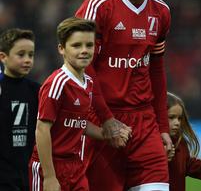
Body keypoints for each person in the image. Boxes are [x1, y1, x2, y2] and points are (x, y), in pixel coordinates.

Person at [75, 0, 172, 190]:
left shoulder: (161, 12)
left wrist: (163, 128)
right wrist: (107, 120)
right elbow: (82, 68)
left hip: (144, 122)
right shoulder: (98, 6)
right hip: (101, 120)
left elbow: (156, 71)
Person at [28, 17, 128, 191]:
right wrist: (50, 177)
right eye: (76, 46)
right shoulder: (57, 83)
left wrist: (110, 135)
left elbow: (79, 124)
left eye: (89, 45)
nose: (84, 50)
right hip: (51, 165)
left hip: (75, 165)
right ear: (61, 49)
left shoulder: (88, 83)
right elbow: (42, 129)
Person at [0, 28, 40, 191]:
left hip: (27, 175)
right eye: (21, 54)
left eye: (31, 55)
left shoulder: (37, 91)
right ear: (3, 57)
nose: (27, 60)